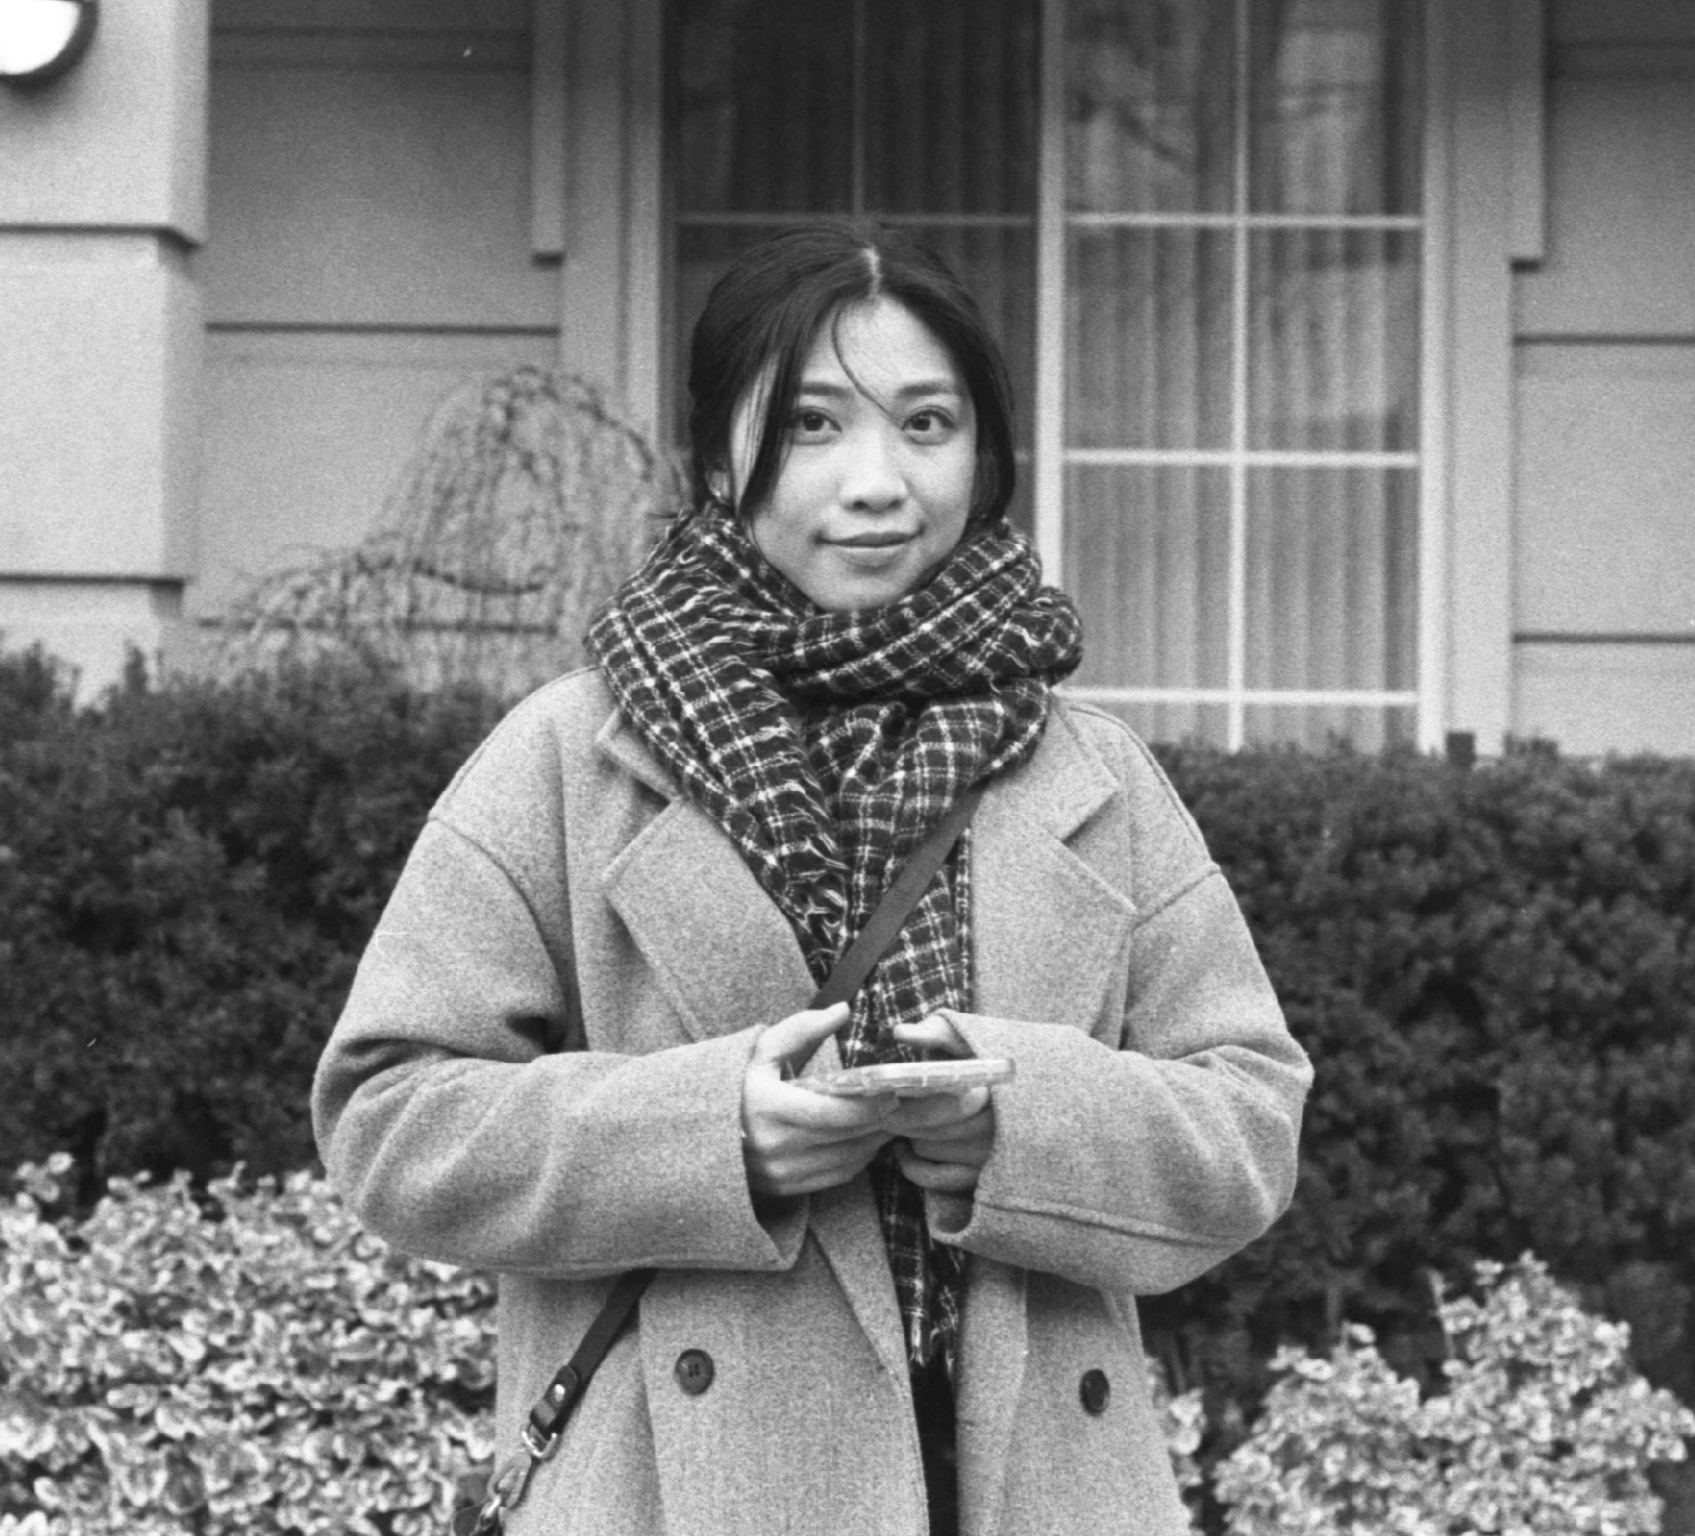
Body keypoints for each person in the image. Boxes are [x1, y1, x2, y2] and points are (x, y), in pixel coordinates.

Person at [313, 220, 1312, 1536]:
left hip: (1037, 1494)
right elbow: (390, 1117)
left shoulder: (1092, 773)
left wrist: (1013, 1130)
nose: (877, 483)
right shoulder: (573, 753)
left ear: (989, 453)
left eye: (927, 422)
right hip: (680, 1497)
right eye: (812, 426)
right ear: (717, 457)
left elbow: (1246, 1125)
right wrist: (709, 1132)